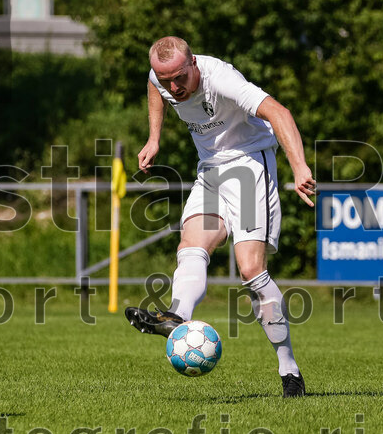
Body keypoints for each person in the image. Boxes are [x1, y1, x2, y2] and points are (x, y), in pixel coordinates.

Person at [124, 37, 316, 397]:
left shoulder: (222, 79)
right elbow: (153, 88)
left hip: (248, 165)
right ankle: (177, 316)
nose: (173, 88)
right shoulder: (160, 78)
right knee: (191, 245)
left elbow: (280, 113)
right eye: (166, 81)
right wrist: (154, 138)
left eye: (179, 78)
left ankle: (289, 369)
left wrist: (299, 166)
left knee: (250, 270)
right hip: (210, 170)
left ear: (193, 63)